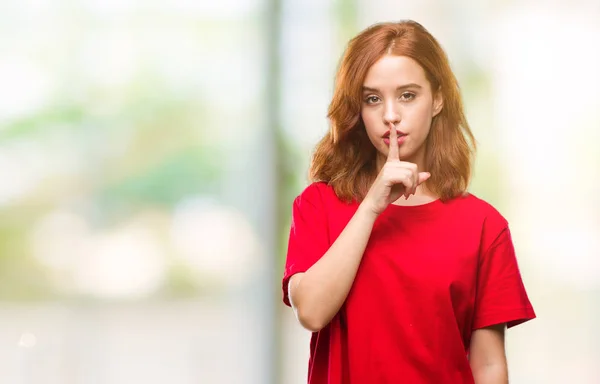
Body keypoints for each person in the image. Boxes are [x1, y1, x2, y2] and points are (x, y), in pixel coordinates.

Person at [281, 20, 536, 384]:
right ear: (358, 109)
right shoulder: (319, 204)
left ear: (438, 99)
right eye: (372, 99)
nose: (390, 115)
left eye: (407, 95)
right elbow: (311, 312)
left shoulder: (483, 225)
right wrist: (371, 206)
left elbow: (489, 365)